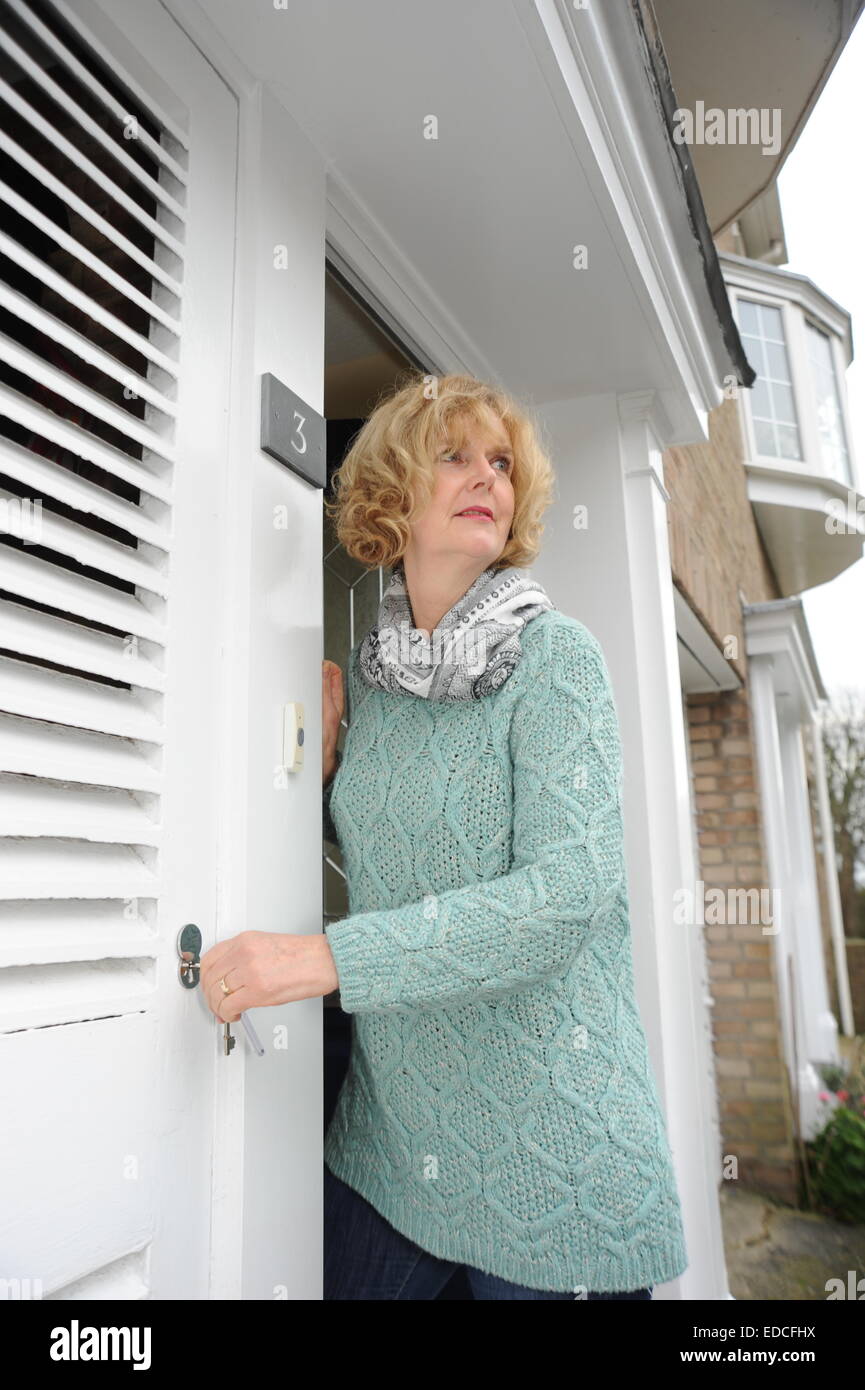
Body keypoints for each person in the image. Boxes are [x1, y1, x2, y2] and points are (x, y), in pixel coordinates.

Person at [201, 371, 688, 1300]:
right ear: (393, 490)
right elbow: (397, 871)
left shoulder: (556, 660)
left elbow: (563, 898)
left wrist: (322, 961)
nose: (488, 478)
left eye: (501, 463)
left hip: (554, 1157)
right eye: (454, 455)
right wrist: (322, 781)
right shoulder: (379, 686)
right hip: (392, 1144)